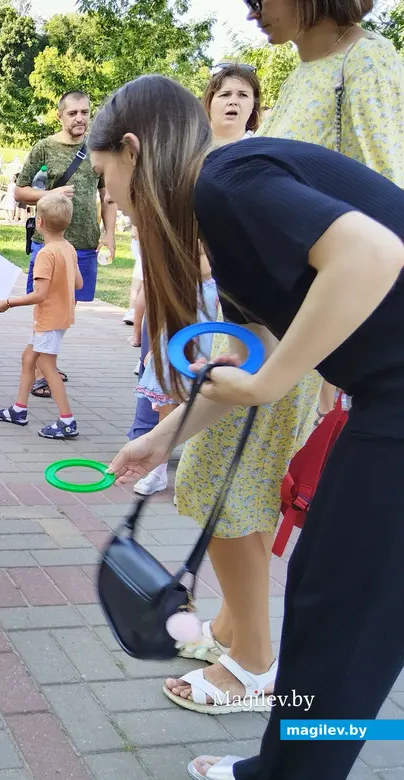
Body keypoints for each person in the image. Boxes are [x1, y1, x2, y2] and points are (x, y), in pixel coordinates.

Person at [94, 73, 404, 780]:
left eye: (112, 184)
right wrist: (159, 439)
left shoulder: (227, 180)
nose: (119, 208)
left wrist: (273, 381)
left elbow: (374, 255)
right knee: (340, 612)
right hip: (385, 398)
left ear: (134, 149)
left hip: (393, 398)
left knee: (341, 620)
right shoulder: (224, 220)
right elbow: (245, 355)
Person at [164, 4, 404, 728]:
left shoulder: (367, 64)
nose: (250, 8)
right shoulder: (303, 72)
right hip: (279, 321)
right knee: (234, 480)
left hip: (319, 332)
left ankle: (253, 665)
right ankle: (240, 631)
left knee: (218, 477)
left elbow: (388, 208)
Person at [131, 63, 260, 498]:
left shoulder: (260, 156)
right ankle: (157, 462)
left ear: (255, 106)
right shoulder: (192, 154)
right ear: (209, 103)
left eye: (243, 95)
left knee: (228, 372)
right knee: (173, 365)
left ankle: (203, 452)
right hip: (189, 280)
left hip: (241, 290)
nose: (233, 102)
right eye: (225, 94)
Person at [15, 90, 117, 394]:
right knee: (46, 309)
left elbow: (107, 195)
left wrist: (109, 234)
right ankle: (40, 370)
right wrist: (50, 195)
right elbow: (20, 192)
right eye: (73, 113)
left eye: (85, 112)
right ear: (60, 115)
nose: (80, 118)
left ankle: (46, 361)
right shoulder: (44, 148)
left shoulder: (97, 149)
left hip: (83, 245)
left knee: (64, 310)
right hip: (48, 244)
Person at [0, 191, 82, 439]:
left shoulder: (46, 254)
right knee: (29, 358)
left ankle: (67, 420)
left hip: (49, 319)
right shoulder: (68, 248)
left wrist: (9, 302)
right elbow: (79, 283)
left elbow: (39, 294)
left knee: (46, 366)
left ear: (39, 222)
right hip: (60, 317)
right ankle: (19, 409)